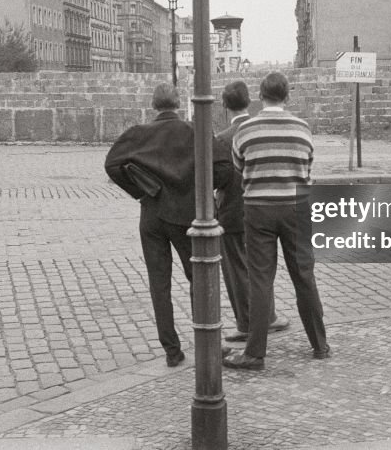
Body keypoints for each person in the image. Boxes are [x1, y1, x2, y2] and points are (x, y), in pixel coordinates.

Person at [104, 82, 231, 367]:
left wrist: (141, 188)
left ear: (154, 106)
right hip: (187, 215)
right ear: (178, 103)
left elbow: (112, 164)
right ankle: (206, 339)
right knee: (198, 276)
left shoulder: (138, 135)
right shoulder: (194, 131)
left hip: (151, 214)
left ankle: (172, 350)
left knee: (159, 283)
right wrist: (201, 188)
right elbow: (224, 168)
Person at [224, 72, 329, 371]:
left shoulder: (246, 129)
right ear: (287, 97)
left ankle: (255, 353)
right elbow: (307, 165)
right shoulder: (302, 128)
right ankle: (319, 344)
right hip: (296, 207)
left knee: (260, 279)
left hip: (258, 208)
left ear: (261, 96)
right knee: (304, 276)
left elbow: (239, 167)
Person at [215, 80, 289, 342]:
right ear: (250, 101)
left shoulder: (223, 139)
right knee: (260, 267)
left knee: (236, 271)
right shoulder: (259, 129)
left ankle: (246, 323)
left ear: (224, 105)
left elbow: (218, 178)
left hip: (232, 212)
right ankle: (269, 316)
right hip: (260, 209)